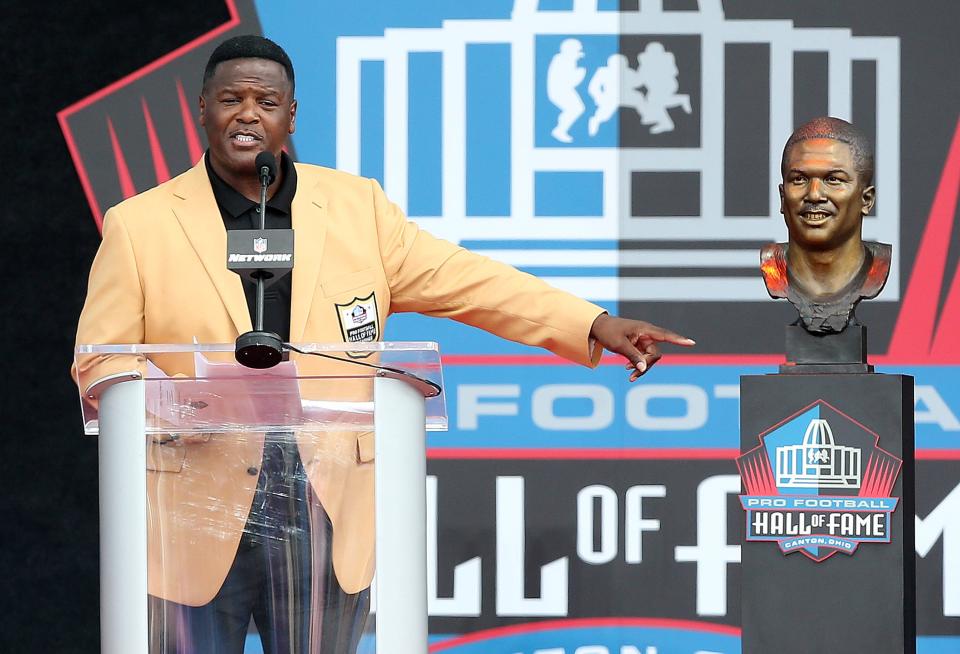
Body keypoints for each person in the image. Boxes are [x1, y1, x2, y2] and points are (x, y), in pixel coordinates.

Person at [73, 35, 694, 654]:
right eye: (231, 99)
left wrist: (591, 323)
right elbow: (100, 356)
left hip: (325, 509)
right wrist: (197, 403)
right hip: (192, 518)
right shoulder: (142, 224)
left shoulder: (356, 209)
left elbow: (468, 282)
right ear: (202, 108)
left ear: (291, 116)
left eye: (266, 102)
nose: (247, 115)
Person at [761, 116, 890, 333]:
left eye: (833, 180)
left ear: (866, 200)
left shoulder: (875, 270)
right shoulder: (774, 270)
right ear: (783, 198)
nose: (814, 195)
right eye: (799, 179)